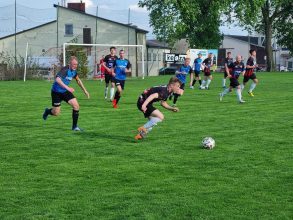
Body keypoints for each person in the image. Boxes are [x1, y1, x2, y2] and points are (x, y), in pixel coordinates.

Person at [42, 56, 90, 131]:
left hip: (65, 91)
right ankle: (47, 111)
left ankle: (74, 127)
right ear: (69, 64)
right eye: (74, 64)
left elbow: (78, 80)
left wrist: (85, 91)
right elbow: (57, 80)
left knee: (76, 106)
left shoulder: (74, 71)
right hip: (56, 92)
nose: (75, 66)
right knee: (56, 113)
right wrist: (68, 88)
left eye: (76, 64)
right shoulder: (65, 70)